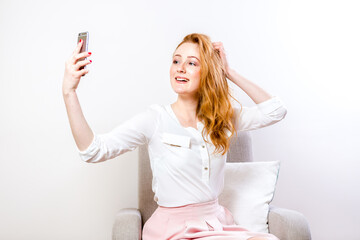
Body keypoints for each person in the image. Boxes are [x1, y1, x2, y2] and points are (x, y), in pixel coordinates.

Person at [62, 33, 287, 240]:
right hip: (173, 230)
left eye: (191, 63)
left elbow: (276, 111)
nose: (180, 68)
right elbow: (93, 150)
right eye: (176, 61)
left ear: (208, 71)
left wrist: (229, 72)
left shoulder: (222, 118)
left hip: (216, 225)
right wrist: (69, 92)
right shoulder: (155, 119)